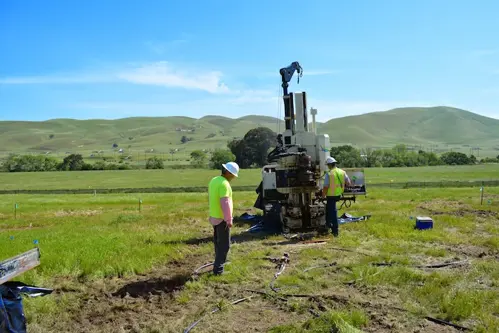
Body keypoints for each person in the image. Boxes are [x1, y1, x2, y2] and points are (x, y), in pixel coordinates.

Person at [208, 161, 239, 275]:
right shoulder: (224, 184)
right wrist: (228, 219)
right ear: (228, 172)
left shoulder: (214, 180)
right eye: (233, 175)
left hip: (214, 217)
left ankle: (218, 263)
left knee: (217, 242)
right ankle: (218, 270)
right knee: (225, 245)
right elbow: (225, 202)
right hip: (222, 219)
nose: (234, 177)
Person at [322, 156, 351, 237]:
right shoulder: (342, 172)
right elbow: (348, 183)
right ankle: (328, 226)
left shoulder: (329, 173)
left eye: (327, 165)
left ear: (329, 165)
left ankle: (335, 231)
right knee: (329, 210)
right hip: (338, 195)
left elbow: (326, 187)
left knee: (333, 212)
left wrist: (323, 195)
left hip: (331, 195)